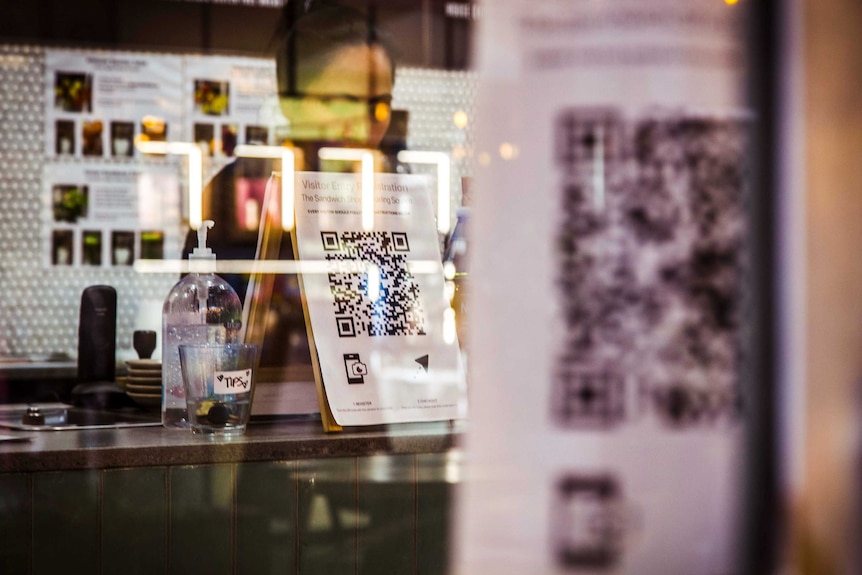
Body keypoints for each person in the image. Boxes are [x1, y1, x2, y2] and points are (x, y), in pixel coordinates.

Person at [186, 0, 400, 368]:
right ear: (290, 103)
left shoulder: (390, 196)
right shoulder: (238, 191)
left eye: (379, 107)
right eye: (341, 104)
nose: (365, 127)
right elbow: (208, 332)